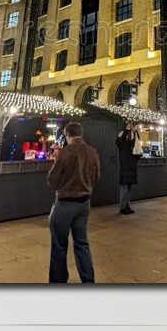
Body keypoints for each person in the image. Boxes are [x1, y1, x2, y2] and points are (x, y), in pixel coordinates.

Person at [45, 119, 99, 283]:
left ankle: (58, 281)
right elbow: (96, 177)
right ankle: (88, 280)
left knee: (59, 246)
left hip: (65, 204)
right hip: (84, 204)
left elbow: (52, 181)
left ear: (67, 135)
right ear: (80, 134)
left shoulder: (65, 153)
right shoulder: (92, 152)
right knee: (82, 244)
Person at [114, 126, 139, 215]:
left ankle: (127, 206)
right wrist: (127, 130)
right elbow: (118, 142)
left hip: (131, 166)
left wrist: (135, 132)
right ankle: (123, 207)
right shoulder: (122, 139)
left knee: (128, 189)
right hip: (125, 167)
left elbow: (137, 144)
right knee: (124, 188)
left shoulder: (131, 139)